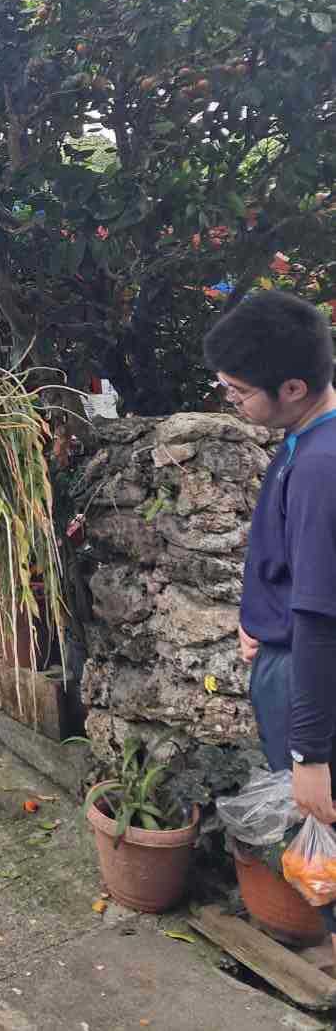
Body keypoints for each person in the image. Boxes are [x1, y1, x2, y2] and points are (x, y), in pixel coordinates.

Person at [204, 290, 336, 952]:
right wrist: (259, 615)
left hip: (309, 684)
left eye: (238, 390)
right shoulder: (302, 437)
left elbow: (320, 618)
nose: (230, 399)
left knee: (332, 865)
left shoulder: (320, 467)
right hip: (284, 656)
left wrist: (311, 756)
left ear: (293, 387)